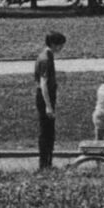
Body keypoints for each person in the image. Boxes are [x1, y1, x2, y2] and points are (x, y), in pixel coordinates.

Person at [34, 31, 65, 170]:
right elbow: (43, 84)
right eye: (60, 45)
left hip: (47, 97)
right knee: (46, 132)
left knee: (49, 132)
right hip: (45, 98)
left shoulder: (47, 56)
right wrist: (48, 106)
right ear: (53, 44)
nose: (61, 48)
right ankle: (44, 164)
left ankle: (48, 163)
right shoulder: (46, 59)